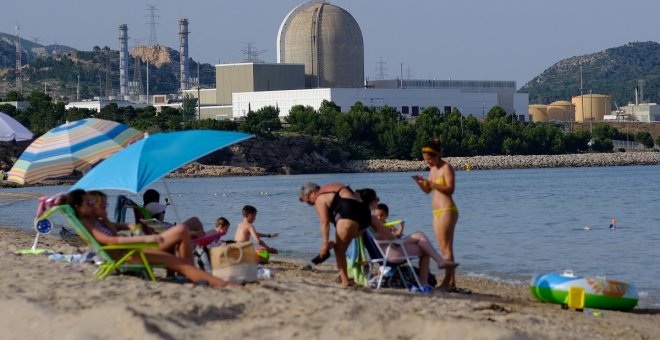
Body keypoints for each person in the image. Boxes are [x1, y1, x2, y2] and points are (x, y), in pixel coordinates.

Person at [68, 189, 236, 287]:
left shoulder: (94, 220)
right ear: (78, 207)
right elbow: (112, 241)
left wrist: (125, 226)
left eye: (93, 203)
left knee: (179, 238)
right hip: (128, 255)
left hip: (128, 252)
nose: (93, 205)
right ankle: (217, 283)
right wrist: (145, 240)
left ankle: (192, 276)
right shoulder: (87, 223)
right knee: (181, 252)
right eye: (89, 203)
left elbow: (113, 231)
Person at [356, 188, 458, 292]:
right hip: (390, 255)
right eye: (376, 200)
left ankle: (437, 264)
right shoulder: (373, 219)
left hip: (381, 254)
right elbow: (391, 238)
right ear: (373, 202)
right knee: (423, 245)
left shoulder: (361, 218)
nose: (377, 202)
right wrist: (401, 238)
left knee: (420, 238)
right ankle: (425, 280)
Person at [299, 182, 396, 287]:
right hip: (365, 216)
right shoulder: (334, 186)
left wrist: (325, 243)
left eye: (309, 202)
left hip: (349, 214)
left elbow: (324, 221)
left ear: (313, 192)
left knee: (339, 252)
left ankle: (345, 281)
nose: (311, 205)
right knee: (340, 244)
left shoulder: (320, 198)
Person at [87, 190, 195, 264]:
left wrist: (128, 226)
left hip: (129, 251)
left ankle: (179, 272)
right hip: (130, 254)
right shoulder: (92, 226)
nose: (106, 208)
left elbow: (117, 232)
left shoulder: (100, 222)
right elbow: (113, 240)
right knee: (181, 235)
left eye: (106, 205)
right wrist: (144, 238)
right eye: (103, 206)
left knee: (179, 259)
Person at [412, 139, 460, 292]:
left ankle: (448, 282)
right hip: (436, 212)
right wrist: (421, 183)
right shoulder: (432, 170)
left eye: (429, 159)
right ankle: (450, 282)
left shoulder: (447, 168)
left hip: (447, 210)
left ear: (437, 155)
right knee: (442, 248)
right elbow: (428, 191)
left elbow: (450, 189)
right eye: (425, 160)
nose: (427, 162)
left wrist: (432, 184)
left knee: (447, 248)